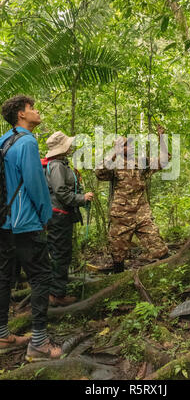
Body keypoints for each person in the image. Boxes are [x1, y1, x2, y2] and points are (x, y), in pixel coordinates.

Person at [0, 95, 62, 361]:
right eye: (32, 108)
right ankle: (39, 342)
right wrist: (46, 216)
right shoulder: (26, 142)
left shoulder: (3, 140)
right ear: (21, 115)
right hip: (25, 222)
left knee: (4, 277)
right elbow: (36, 184)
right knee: (40, 276)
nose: (37, 111)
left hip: (4, 222)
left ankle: (3, 334)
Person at [95, 125, 171, 273]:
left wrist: (161, 138)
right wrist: (113, 154)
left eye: (130, 144)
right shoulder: (113, 165)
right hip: (121, 215)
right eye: (125, 145)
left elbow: (164, 161)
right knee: (118, 253)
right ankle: (118, 279)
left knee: (159, 248)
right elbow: (99, 173)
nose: (129, 147)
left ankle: (168, 274)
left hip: (142, 214)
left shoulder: (140, 162)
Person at [44, 131, 93, 307]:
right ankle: (56, 295)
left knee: (61, 252)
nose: (71, 147)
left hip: (60, 214)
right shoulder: (56, 166)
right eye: (68, 144)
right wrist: (82, 198)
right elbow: (61, 192)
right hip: (58, 215)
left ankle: (56, 291)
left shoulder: (61, 164)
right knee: (60, 254)